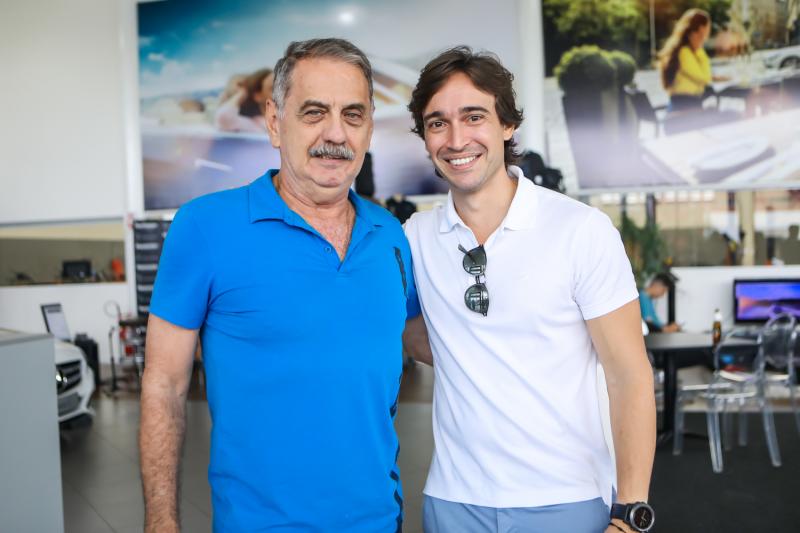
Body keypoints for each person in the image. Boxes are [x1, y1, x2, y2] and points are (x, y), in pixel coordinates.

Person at [140, 38, 419, 533]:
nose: (336, 134)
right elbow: (164, 384)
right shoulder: (205, 227)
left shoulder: (390, 235)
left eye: (353, 115)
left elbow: (428, 341)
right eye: (314, 112)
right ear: (274, 122)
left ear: (370, 126)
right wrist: (162, 523)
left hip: (379, 520)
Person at [402, 47, 656, 533]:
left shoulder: (580, 230)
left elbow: (629, 376)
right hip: (454, 502)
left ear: (507, 124)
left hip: (565, 499)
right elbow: (411, 335)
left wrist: (630, 513)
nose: (456, 139)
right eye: (437, 123)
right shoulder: (415, 238)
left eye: (474, 116)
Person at [658, 8, 726, 113]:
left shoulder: (684, 51)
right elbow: (704, 78)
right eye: (707, 29)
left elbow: (699, 75)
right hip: (685, 109)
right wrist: (699, 49)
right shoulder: (684, 53)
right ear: (701, 29)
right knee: (731, 115)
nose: (706, 35)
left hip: (686, 107)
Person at [214, 68, 274, 133]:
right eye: (273, 89)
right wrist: (243, 91)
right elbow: (224, 117)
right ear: (258, 96)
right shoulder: (254, 125)